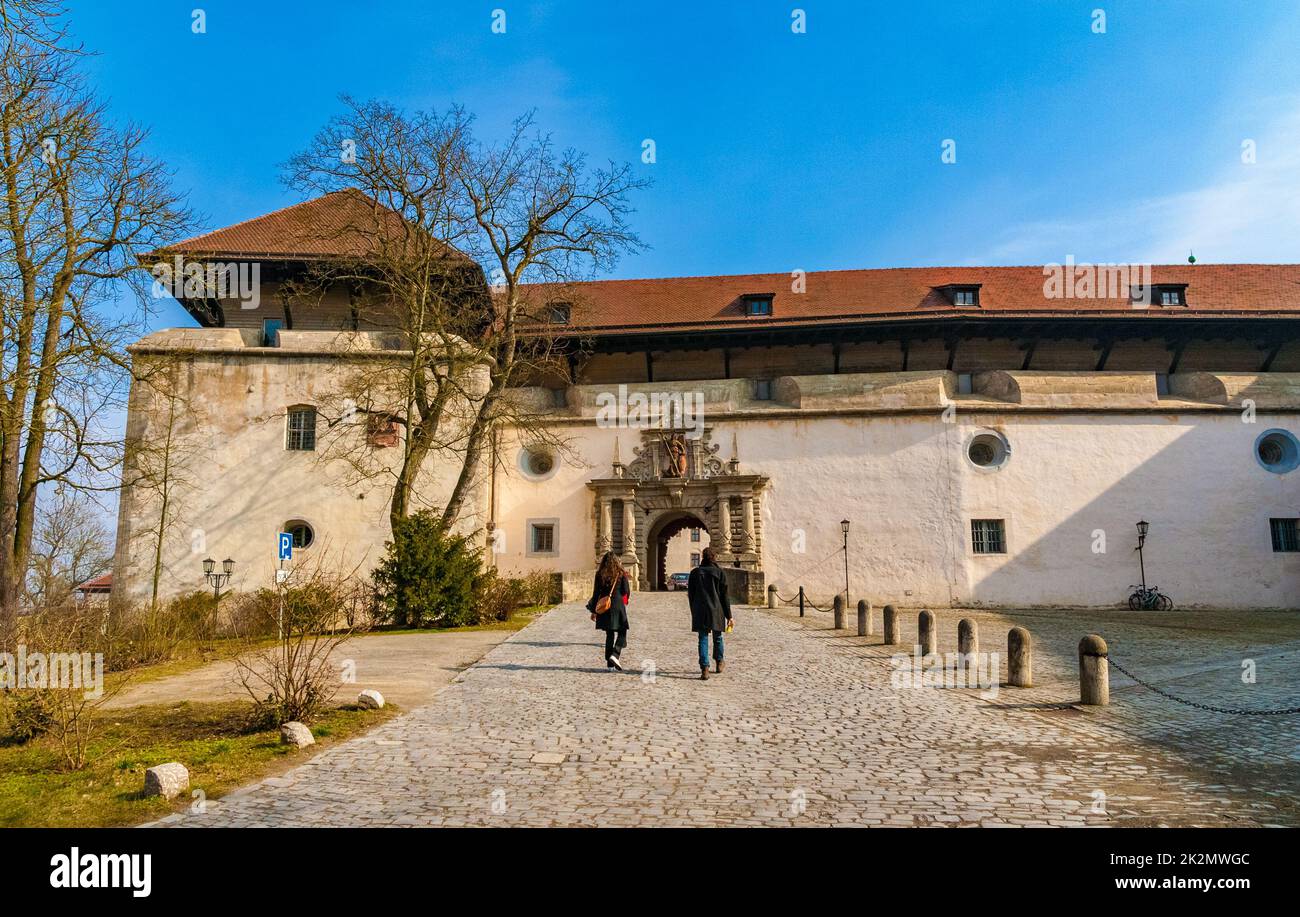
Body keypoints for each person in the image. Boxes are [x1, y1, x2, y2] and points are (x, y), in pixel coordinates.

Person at [687, 547, 732, 680]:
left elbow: (691, 595)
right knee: (717, 637)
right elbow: (725, 596)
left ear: (703, 557)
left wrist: (693, 610)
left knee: (703, 638)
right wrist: (729, 615)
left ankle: (705, 668)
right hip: (716, 609)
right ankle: (719, 662)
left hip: (700, 609)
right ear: (714, 557)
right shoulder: (719, 573)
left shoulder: (695, 573)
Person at [587, 551, 631, 670]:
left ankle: (609, 665)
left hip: (605, 605)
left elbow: (596, 594)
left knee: (609, 634)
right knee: (622, 631)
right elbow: (625, 590)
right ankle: (615, 654)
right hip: (617, 605)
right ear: (616, 562)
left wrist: (594, 611)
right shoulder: (621, 573)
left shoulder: (599, 574)